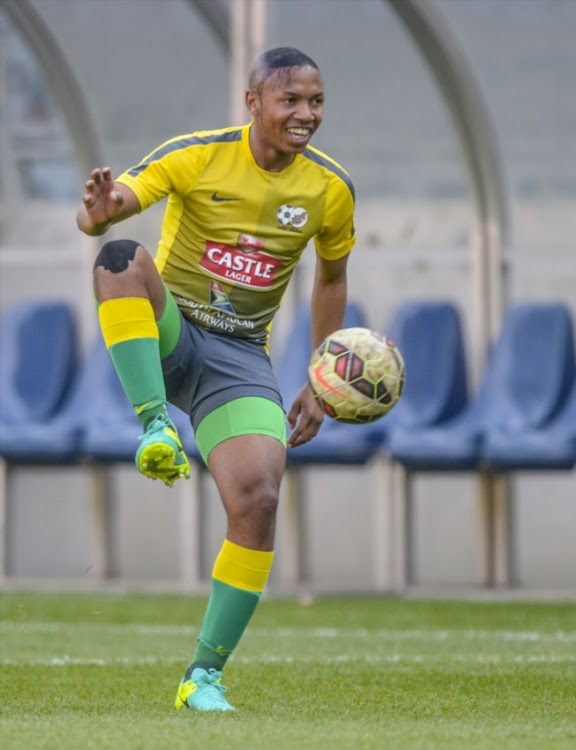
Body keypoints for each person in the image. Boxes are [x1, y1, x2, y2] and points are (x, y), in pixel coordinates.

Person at [76, 46, 356, 712]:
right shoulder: (198, 154)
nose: (305, 114)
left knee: (258, 496)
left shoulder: (328, 189)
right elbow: (113, 208)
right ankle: (154, 428)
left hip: (236, 361)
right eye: (290, 100)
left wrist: (320, 378)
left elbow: (333, 275)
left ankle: (203, 676)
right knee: (118, 256)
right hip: (169, 334)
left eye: (315, 101)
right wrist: (99, 208)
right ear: (252, 101)